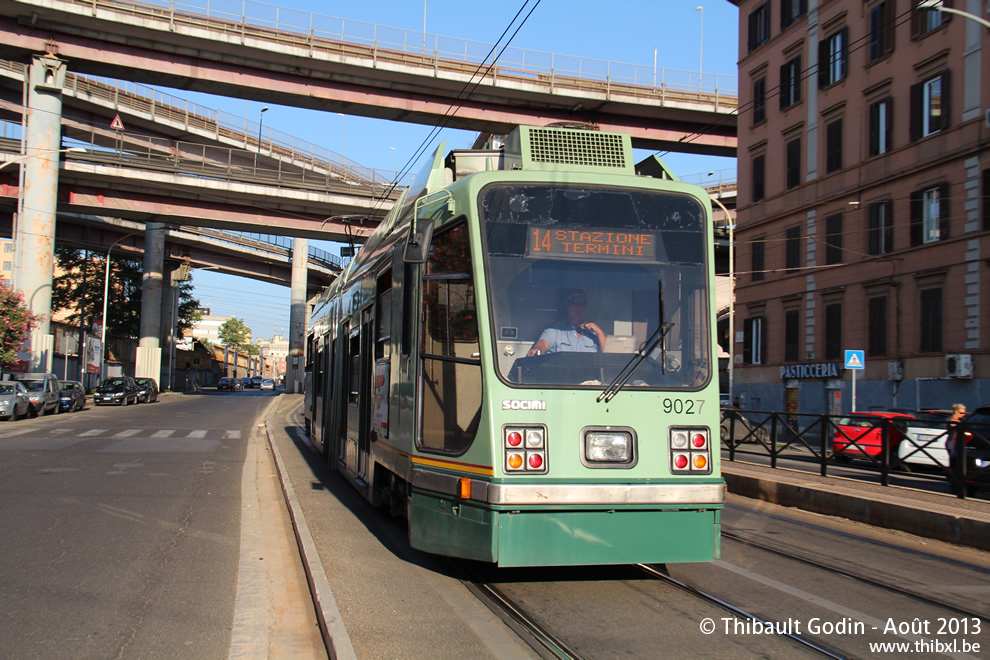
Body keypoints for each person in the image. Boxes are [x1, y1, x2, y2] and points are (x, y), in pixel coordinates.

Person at [527, 289, 606, 357]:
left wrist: (600, 332)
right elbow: (543, 344)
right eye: (574, 302)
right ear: (566, 305)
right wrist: (536, 350)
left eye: (582, 302)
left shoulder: (594, 333)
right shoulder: (555, 330)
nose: (578, 307)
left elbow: (608, 357)